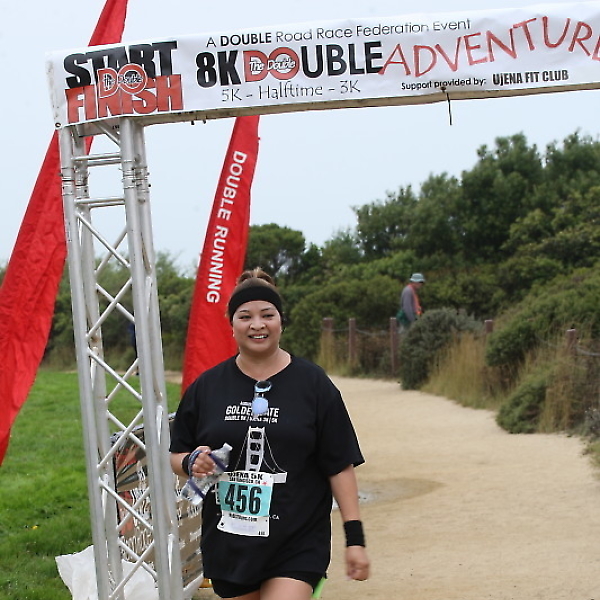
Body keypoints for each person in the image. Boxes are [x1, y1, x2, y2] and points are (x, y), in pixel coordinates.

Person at [169, 268, 370, 600]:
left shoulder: (314, 385)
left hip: (297, 541)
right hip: (230, 543)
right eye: (245, 316)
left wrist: (355, 539)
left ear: (281, 321)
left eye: (267, 315)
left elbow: (339, 465)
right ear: (232, 324)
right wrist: (192, 462)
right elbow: (176, 455)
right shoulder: (206, 387)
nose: (257, 325)